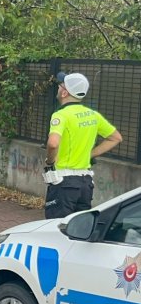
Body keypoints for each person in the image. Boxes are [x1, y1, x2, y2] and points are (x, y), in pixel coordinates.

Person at [43, 71, 122, 219]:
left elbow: (53, 143)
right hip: (86, 183)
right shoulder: (93, 115)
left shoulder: (61, 115)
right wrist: (90, 154)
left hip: (63, 183)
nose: (58, 89)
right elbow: (116, 138)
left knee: (56, 229)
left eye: (60, 86)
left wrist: (49, 161)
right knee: (78, 229)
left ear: (65, 92)